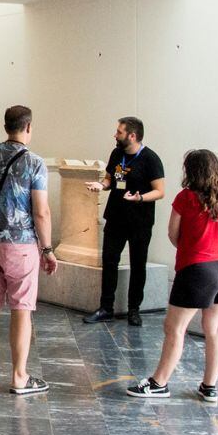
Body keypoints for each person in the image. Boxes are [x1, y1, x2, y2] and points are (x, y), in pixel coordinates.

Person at [127, 149, 218, 404]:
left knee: (174, 328)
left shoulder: (186, 197)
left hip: (198, 267)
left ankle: (159, 382)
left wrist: (191, 249)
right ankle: (209, 387)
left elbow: (173, 234)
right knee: (215, 329)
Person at [0, 106, 58, 394]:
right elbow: (41, 211)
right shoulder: (34, 162)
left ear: (5, 125)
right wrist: (47, 249)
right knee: (22, 308)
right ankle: (20, 376)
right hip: (20, 245)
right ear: (29, 127)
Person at [83, 116, 166, 326]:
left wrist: (139, 198)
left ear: (132, 135)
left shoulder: (150, 159)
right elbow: (111, 179)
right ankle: (106, 308)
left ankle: (133, 310)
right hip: (116, 217)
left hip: (140, 221)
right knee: (110, 261)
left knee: (138, 265)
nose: (115, 135)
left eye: (119, 132)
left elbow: (160, 192)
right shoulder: (117, 153)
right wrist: (101, 186)